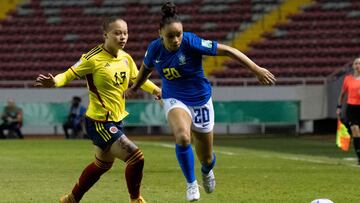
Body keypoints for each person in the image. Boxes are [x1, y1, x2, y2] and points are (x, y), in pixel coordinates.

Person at [125, 1, 276, 202]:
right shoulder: (154, 49)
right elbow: (145, 70)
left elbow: (228, 51)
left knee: (206, 158)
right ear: (160, 33)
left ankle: (206, 170)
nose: (176, 39)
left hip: (200, 100)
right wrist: (134, 88)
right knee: (183, 137)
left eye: (178, 34)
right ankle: (191, 184)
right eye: (170, 36)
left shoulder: (191, 42)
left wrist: (256, 69)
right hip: (174, 98)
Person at [35, 17, 161, 203]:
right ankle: (136, 200)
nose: (122, 37)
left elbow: (138, 78)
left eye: (125, 33)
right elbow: (68, 74)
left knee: (102, 165)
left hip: (116, 120)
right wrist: (55, 82)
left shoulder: (126, 58)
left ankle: (71, 199)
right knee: (136, 157)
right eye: (117, 33)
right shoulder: (92, 58)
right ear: (105, 35)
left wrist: (156, 89)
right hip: (99, 122)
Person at [336, 57, 360, 164]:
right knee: (355, 130)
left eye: (359, 64)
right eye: (356, 63)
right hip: (352, 108)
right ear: (353, 66)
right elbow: (342, 94)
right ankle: (359, 155)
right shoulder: (348, 79)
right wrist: (339, 107)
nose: (357, 65)